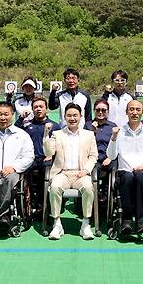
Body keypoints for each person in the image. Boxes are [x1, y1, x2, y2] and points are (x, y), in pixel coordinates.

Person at [43, 103, 98, 240]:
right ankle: (57, 224)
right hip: (62, 173)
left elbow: (93, 156)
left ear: (80, 117)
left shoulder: (89, 135)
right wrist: (46, 135)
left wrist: (86, 170)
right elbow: (49, 152)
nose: (72, 118)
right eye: (69, 115)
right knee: (54, 187)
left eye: (75, 115)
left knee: (88, 187)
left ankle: (85, 224)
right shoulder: (57, 134)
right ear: (64, 117)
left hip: (81, 173)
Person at [107, 100, 143, 236]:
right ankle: (126, 220)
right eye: (131, 109)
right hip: (124, 172)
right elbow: (112, 156)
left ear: (142, 112)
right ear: (126, 112)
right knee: (128, 176)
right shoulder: (119, 132)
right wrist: (113, 138)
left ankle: (140, 220)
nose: (134, 112)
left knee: (139, 175)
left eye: (138, 109)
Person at [15, 96, 59, 213]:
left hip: (47, 159)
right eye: (35, 107)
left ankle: (44, 205)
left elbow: (59, 146)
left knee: (46, 172)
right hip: (31, 159)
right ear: (32, 109)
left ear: (46, 109)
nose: (38, 109)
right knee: (24, 171)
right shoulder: (26, 125)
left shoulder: (55, 126)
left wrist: (52, 155)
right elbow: (14, 132)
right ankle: (28, 203)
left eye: (41, 107)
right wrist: (21, 118)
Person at [85, 99, 118, 190]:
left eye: (103, 110)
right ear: (94, 111)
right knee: (94, 169)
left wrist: (110, 158)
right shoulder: (88, 126)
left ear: (108, 111)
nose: (100, 112)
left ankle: (109, 193)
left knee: (115, 168)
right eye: (98, 110)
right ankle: (96, 195)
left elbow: (117, 145)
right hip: (95, 158)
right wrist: (93, 132)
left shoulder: (112, 126)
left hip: (109, 158)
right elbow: (85, 145)